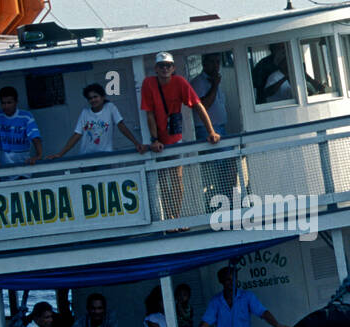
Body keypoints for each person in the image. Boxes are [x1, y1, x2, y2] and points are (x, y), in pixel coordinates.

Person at [141, 52, 220, 222]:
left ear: (173, 68)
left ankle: (176, 218)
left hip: (174, 137)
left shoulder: (180, 82)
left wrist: (211, 132)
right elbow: (149, 114)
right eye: (161, 65)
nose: (165, 68)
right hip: (159, 139)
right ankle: (170, 220)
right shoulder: (148, 83)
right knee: (163, 180)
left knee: (177, 178)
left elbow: (198, 106)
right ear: (156, 68)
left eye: (168, 65)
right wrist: (154, 140)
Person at [49, 83, 144, 158]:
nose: (93, 100)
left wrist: (136, 143)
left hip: (105, 156)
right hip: (86, 157)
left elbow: (121, 126)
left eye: (95, 97)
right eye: (90, 98)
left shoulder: (110, 108)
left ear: (103, 97)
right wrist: (60, 154)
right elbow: (77, 135)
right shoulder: (85, 113)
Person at [0, 85, 42, 168]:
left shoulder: (26, 116)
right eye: (3, 103)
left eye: (9, 102)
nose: (6, 106)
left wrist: (39, 155)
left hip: (24, 162)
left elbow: (35, 137)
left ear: (16, 102)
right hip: (4, 163)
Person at [190, 53, 229, 140]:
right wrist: (214, 86)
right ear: (204, 63)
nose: (215, 65)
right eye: (212, 62)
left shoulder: (216, 79)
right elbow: (204, 105)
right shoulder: (197, 82)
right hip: (205, 130)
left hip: (221, 127)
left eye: (218, 62)